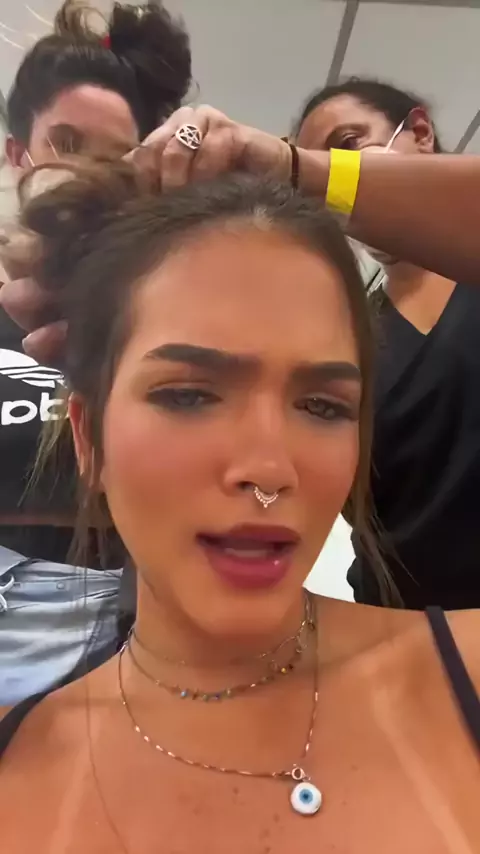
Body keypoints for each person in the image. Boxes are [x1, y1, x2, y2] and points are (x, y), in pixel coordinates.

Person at [0, 160, 478, 851]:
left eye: (323, 406)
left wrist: (309, 169)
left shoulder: (463, 676)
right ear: (89, 438)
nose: (269, 471)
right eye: (189, 395)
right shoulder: (21, 771)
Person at [0, 0, 191, 705]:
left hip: (122, 637)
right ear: (17, 153)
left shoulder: (165, 321)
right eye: (64, 143)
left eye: (114, 159)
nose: (85, 173)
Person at [288, 77, 480, 608]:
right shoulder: (347, 340)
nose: (332, 179)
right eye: (319, 169)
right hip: (413, 628)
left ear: (420, 132)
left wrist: (297, 168)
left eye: (348, 145)